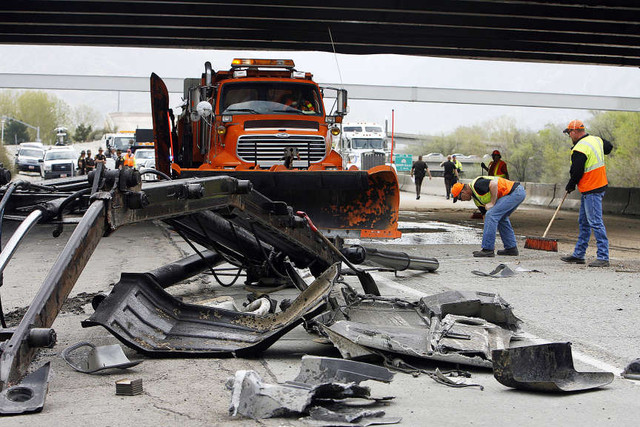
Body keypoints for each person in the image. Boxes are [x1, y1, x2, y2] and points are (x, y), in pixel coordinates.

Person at [560, 120, 613, 267]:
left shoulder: (580, 148)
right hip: (592, 187)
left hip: (592, 188)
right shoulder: (596, 139)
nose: (569, 136)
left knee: (595, 222)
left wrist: (571, 185)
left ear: (575, 132)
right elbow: (609, 148)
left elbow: (577, 171)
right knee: (583, 222)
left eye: (569, 133)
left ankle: (603, 257)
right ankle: (579, 255)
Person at [451, 175, 526, 257]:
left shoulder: (476, 184)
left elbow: (493, 184)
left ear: (463, 192)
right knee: (501, 218)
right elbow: (485, 217)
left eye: (460, 198)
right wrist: (487, 231)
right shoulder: (477, 199)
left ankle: (488, 249)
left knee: (492, 214)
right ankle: (511, 248)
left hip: (515, 192)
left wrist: (492, 203)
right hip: (515, 193)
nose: (462, 200)